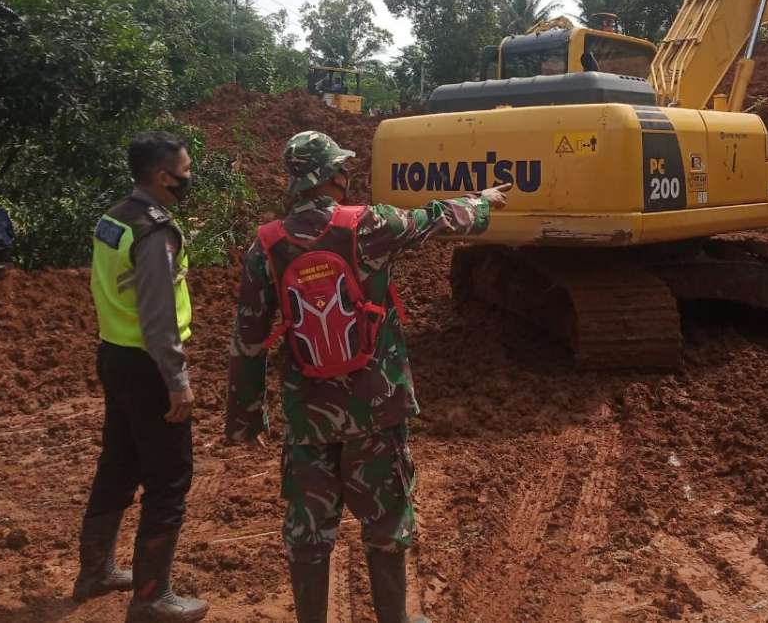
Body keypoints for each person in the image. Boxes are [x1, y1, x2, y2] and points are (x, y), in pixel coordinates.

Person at [226, 131, 508, 623]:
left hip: (308, 414)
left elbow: (248, 341)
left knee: (309, 532)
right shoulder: (370, 225)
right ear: (335, 175)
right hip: (376, 408)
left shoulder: (266, 246)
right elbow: (435, 217)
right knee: (385, 523)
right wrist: (481, 203)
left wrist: (246, 419)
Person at [75, 131, 208, 623]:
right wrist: (177, 379)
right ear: (161, 176)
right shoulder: (154, 232)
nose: (190, 177)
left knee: (119, 461)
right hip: (149, 366)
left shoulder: (113, 218)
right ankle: (151, 597)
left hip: (114, 353)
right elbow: (158, 316)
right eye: (186, 170)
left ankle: (96, 572)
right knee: (170, 478)